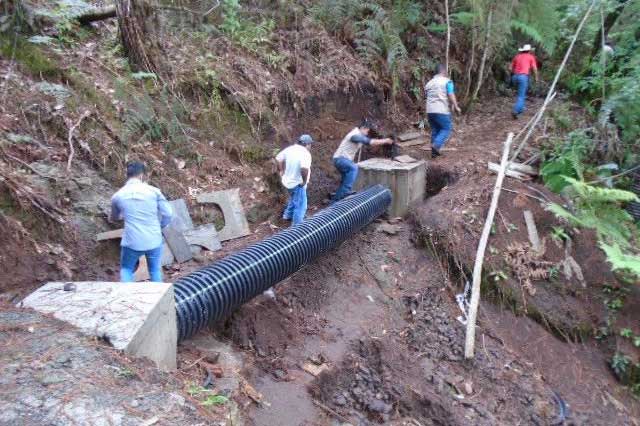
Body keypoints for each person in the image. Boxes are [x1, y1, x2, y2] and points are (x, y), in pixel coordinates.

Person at [109, 161, 173, 283]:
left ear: (127, 175)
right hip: (154, 239)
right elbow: (168, 214)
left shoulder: (117, 196)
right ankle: (160, 298)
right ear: (142, 175)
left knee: (126, 269)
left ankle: (127, 299)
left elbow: (114, 218)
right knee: (154, 270)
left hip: (132, 241)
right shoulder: (154, 191)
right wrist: (160, 227)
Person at [331, 119, 393, 202]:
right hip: (340, 160)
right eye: (367, 130)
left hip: (341, 160)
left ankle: (336, 200)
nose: (368, 132)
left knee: (344, 181)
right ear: (363, 128)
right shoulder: (355, 135)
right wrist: (385, 141)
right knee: (353, 168)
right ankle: (344, 194)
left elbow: (371, 145)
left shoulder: (358, 135)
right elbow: (370, 142)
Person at [275, 134, 314, 225]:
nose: (310, 146)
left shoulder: (290, 149)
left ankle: (287, 216)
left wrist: (281, 171)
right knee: (300, 206)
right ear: (307, 144)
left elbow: (278, 158)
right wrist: (304, 182)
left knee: (294, 198)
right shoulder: (305, 154)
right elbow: (304, 169)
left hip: (287, 182)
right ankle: (297, 228)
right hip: (297, 184)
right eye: (310, 144)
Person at [424, 63, 462, 159]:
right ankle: (436, 145)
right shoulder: (447, 81)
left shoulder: (429, 83)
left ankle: (433, 153)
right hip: (441, 110)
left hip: (430, 111)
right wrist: (456, 106)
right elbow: (450, 94)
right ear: (443, 71)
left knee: (435, 129)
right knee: (446, 128)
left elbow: (427, 96)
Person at [511, 44, 539, 119]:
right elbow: (534, 69)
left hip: (515, 77)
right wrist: (536, 78)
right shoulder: (531, 57)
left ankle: (520, 109)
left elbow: (510, 68)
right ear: (529, 51)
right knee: (521, 96)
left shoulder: (517, 56)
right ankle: (516, 110)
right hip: (523, 77)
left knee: (520, 94)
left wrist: (514, 74)